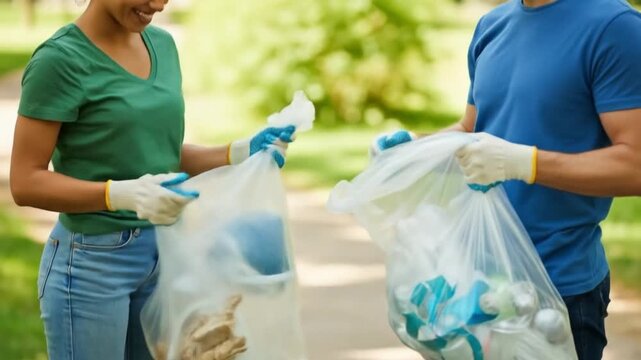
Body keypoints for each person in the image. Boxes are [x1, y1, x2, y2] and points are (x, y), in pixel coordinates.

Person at [9, 0, 295, 358]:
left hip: (165, 255)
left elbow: (157, 153)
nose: (159, 4)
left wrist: (236, 153)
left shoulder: (162, 45)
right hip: (92, 265)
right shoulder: (60, 60)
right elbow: (25, 181)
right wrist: (120, 195)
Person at [372, 0, 641, 359]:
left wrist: (525, 163)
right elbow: (472, 130)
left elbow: (635, 164)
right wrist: (413, 149)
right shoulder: (492, 26)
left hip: (556, 291)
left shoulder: (614, 26)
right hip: (477, 287)